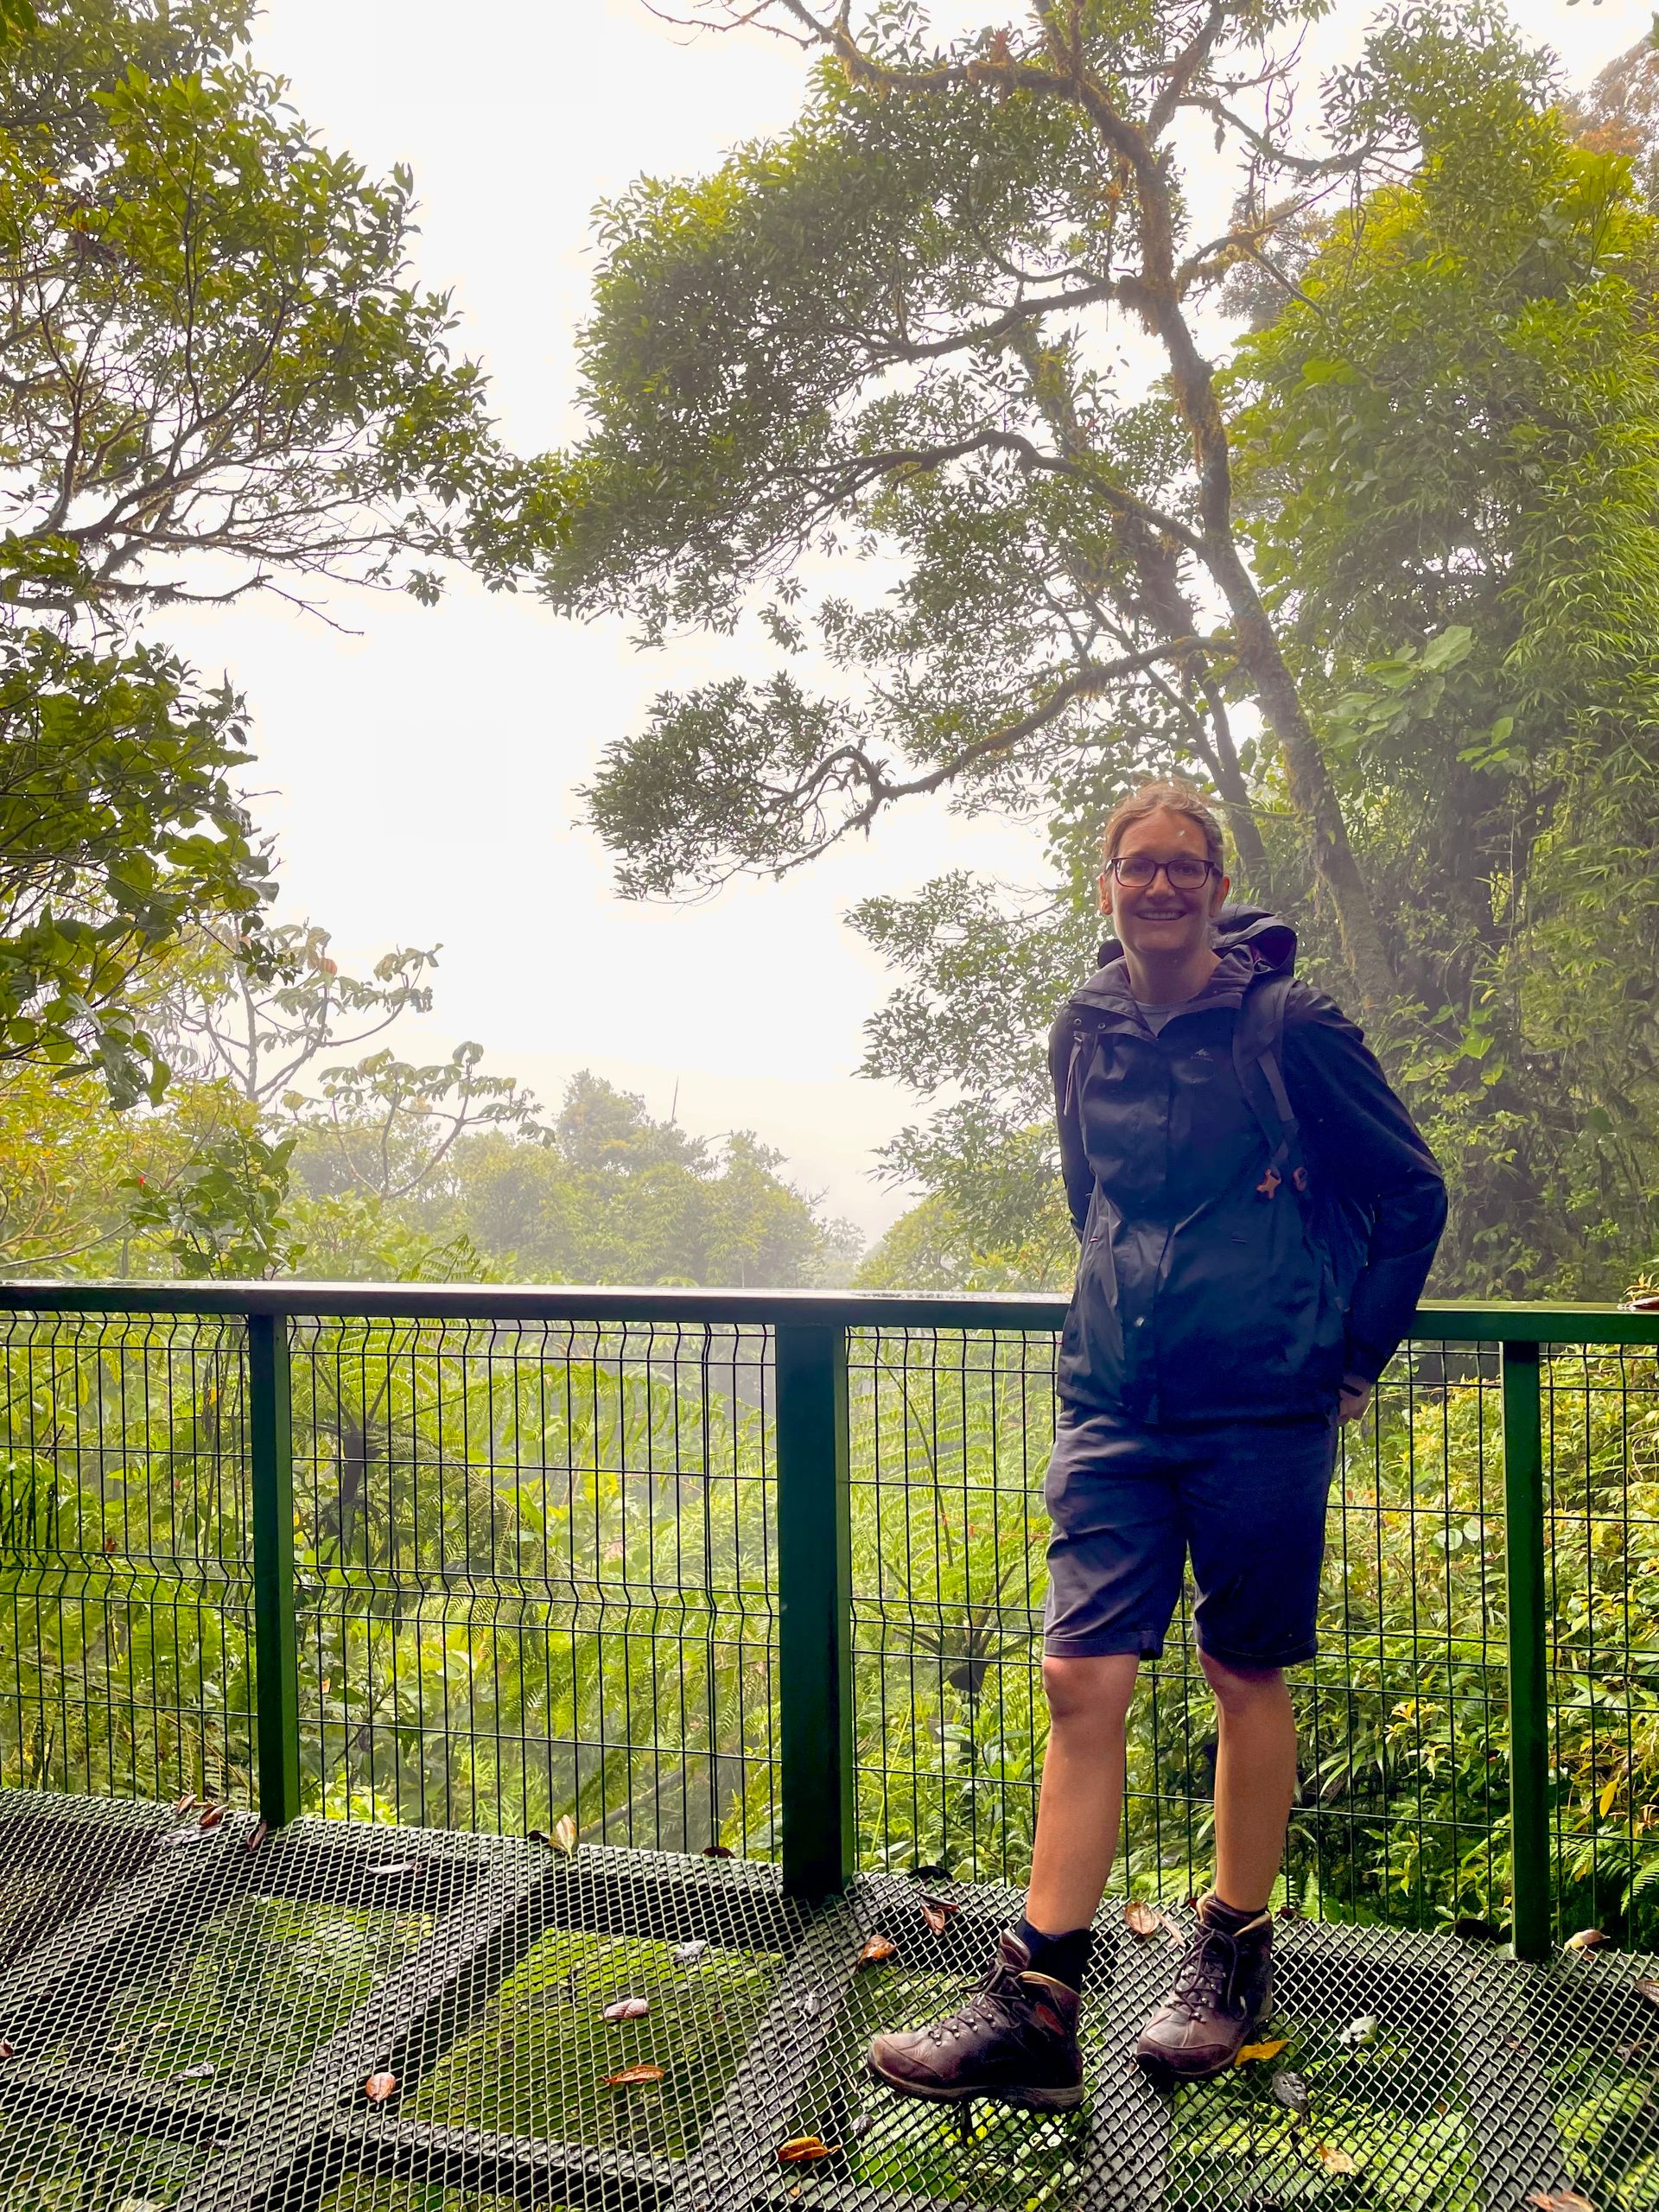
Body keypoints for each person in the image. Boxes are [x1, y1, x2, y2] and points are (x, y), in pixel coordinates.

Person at [867, 778, 1446, 2108]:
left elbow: (1412, 1192)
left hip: (1263, 1408)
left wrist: (1351, 1358)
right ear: (1107, 884)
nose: (1163, 886)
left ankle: (1229, 1963)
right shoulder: (1085, 1028)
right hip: (1115, 1400)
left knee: (1242, 1669)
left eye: (1187, 866)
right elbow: (1096, 1197)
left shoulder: (1292, 1027)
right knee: (1080, 1679)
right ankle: (1038, 2010)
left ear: (1219, 885)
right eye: (1141, 865)